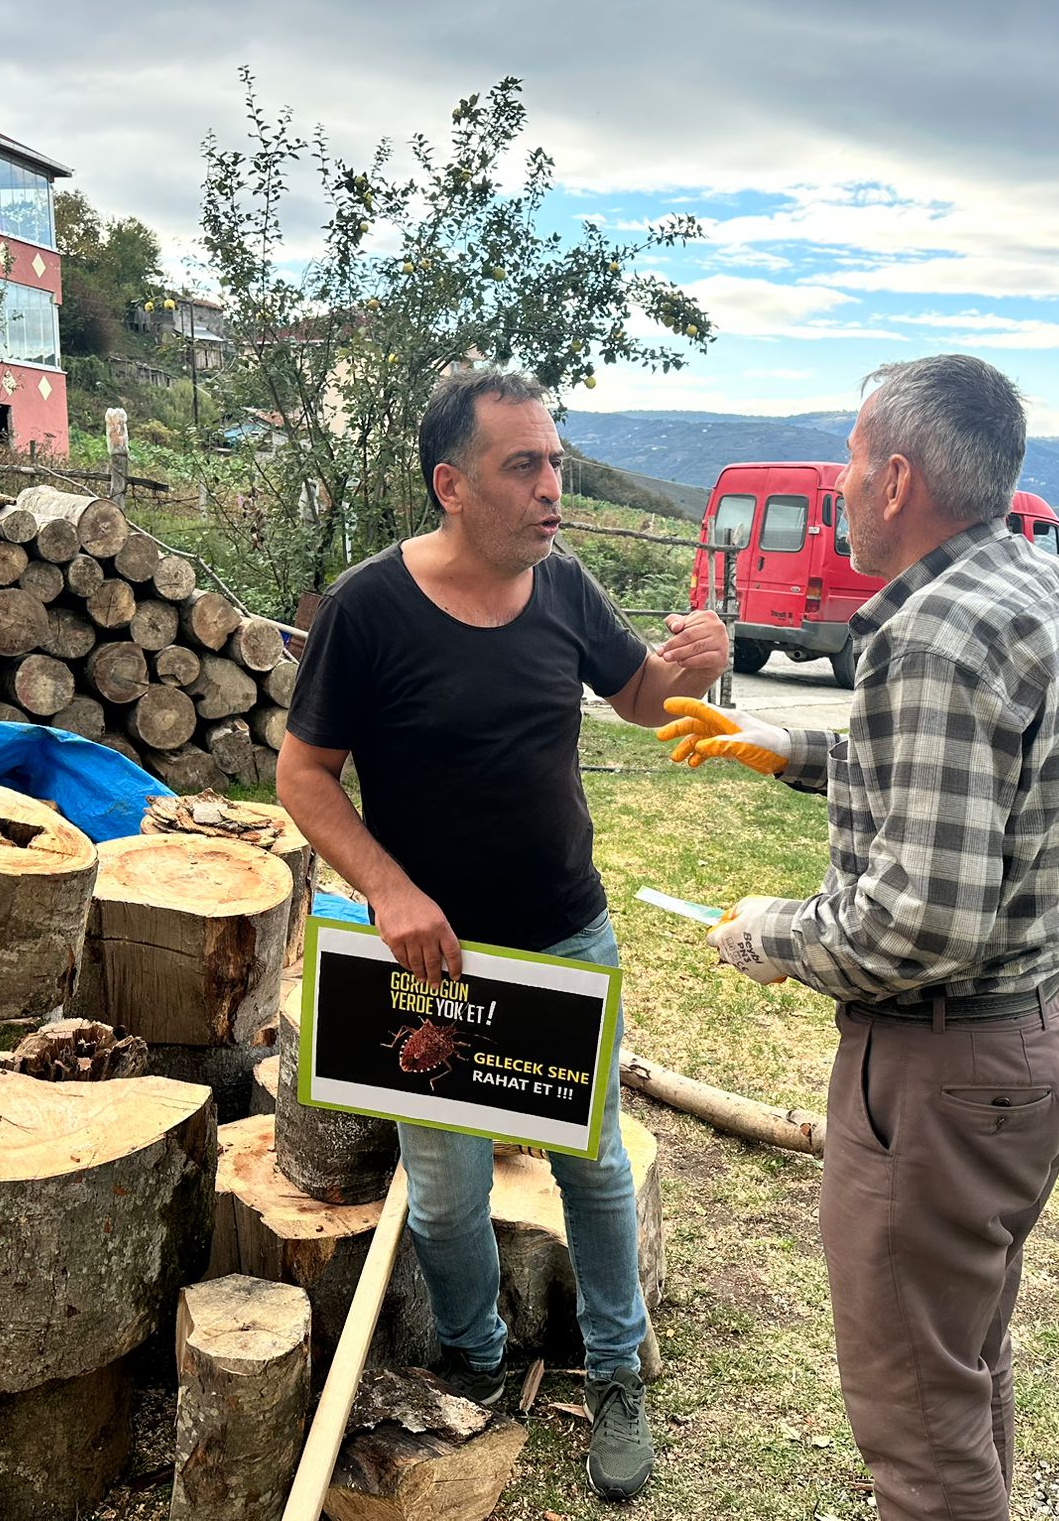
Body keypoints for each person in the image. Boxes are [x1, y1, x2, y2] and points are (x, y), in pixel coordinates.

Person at [659, 354, 1059, 1521]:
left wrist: (766, 931)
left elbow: (913, 926)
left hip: (941, 1071)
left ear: (897, 477)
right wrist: (784, 746)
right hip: (1034, 1042)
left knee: (916, 1427)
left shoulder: (931, 636)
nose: (844, 485)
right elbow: (965, 785)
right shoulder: (1036, 584)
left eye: (854, 461)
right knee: (955, 1368)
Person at [278, 368, 728, 1502]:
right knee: (442, 1196)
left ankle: (617, 1372)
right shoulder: (370, 608)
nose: (550, 490)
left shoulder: (561, 584)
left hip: (565, 935)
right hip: (431, 961)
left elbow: (636, 697)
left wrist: (694, 671)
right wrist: (386, 890)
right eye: (522, 466)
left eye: (556, 463)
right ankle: (472, 1364)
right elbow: (303, 774)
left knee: (593, 1170)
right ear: (451, 485)